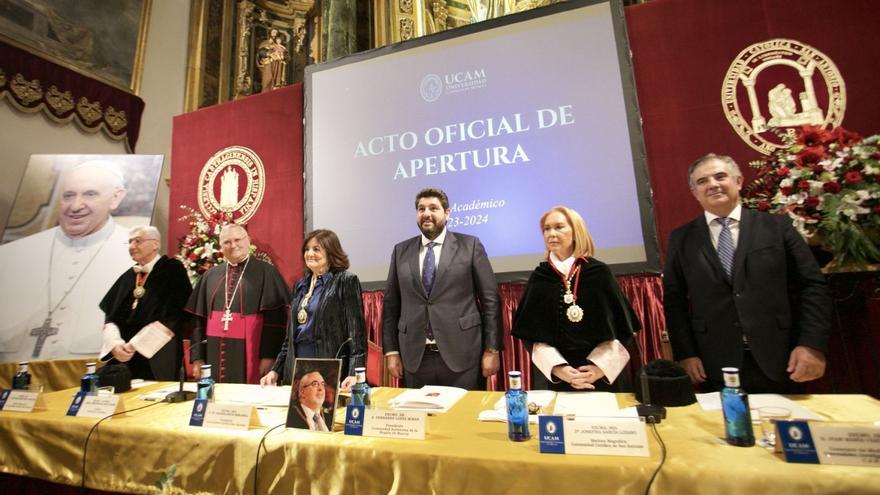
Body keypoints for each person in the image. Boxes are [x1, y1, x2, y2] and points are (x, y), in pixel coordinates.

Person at [663, 153, 832, 393]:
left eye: (720, 176)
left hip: (782, 359)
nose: (712, 184)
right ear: (694, 192)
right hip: (715, 363)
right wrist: (686, 354)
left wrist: (811, 344)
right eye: (702, 181)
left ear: (739, 181)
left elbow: (812, 286)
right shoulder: (681, 239)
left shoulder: (777, 227)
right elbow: (674, 300)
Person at [0, 160, 132, 362]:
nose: (76, 206)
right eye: (68, 196)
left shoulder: (134, 254)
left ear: (116, 197)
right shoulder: (12, 254)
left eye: (90, 194)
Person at [382, 188, 501, 390]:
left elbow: (490, 301)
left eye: (433, 208)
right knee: (422, 420)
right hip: (415, 358)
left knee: (463, 418)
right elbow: (391, 305)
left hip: (462, 355)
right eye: (421, 209)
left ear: (447, 213)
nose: (426, 213)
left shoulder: (470, 245)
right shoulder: (400, 250)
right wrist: (391, 352)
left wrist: (492, 349)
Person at [511, 206, 640, 391]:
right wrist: (559, 369)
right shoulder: (540, 277)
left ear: (575, 231)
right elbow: (530, 336)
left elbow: (624, 330)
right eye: (547, 229)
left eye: (558, 227)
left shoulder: (599, 273)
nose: (551, 234)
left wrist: (598, 369)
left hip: (600, 378)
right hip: (557, 379)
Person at [261, 229, 366, 390]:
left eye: (316, 249)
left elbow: (356, 334)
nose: (310, 253)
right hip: (296, 367)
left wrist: (354, 373)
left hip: (328, 367)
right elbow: (289, 339)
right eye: (307, 249)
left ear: (331, 252)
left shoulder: (345, 281)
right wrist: (276, 370)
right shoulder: (300, 285)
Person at [186, 224, 289, 384]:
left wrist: (269, 357)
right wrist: (198, 357)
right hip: (214, 352)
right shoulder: (209, 276)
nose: (233, 245)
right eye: (227, 242)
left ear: (248, 241)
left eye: (237, 240)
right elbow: (199, 321)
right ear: (220, 246)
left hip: (252, 352)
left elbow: (275, 321)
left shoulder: (267, 272)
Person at [98, 226, 192, 380]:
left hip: (157, 356)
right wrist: (115, 345)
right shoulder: (128, 277)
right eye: (130, 242)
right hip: (122, 358)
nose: (132, 246)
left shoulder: (173, 270)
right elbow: (111, 315)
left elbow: (173, 316)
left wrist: (134, 345)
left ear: (155, 244)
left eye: (138, 241)